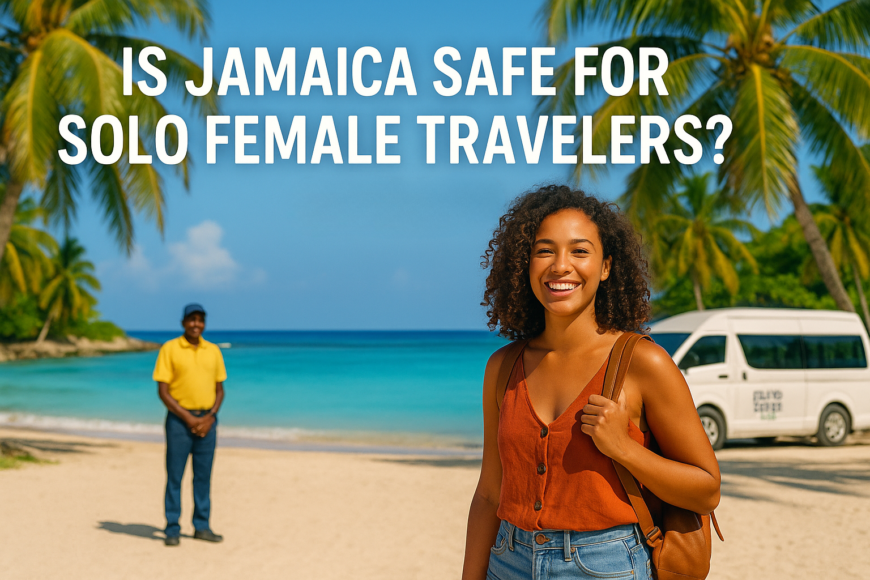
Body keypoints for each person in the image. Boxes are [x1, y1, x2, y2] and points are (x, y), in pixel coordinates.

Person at [461, 186, 721, 580]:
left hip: (606, 566)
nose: (560, 265)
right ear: (525, 264)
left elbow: (706, 489)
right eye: (544, 250)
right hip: (508, 560)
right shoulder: (503, 367)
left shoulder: (643, 362)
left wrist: (625, 449)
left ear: (605, 267)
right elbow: (488, 494)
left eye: (579, 251)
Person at [153, 303, 226, 546]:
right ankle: (172, 528)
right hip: (178, 423)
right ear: (183, 322)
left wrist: (209, 417)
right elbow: (163, 392)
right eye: (191, 319)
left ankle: (202, 526)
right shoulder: (170, 349)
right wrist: (189, 418)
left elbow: (219, 390)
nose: (196, 324)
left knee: (203, 477)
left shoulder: (213, 350)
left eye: (200, 320)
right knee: (175, 475)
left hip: (208, 422)